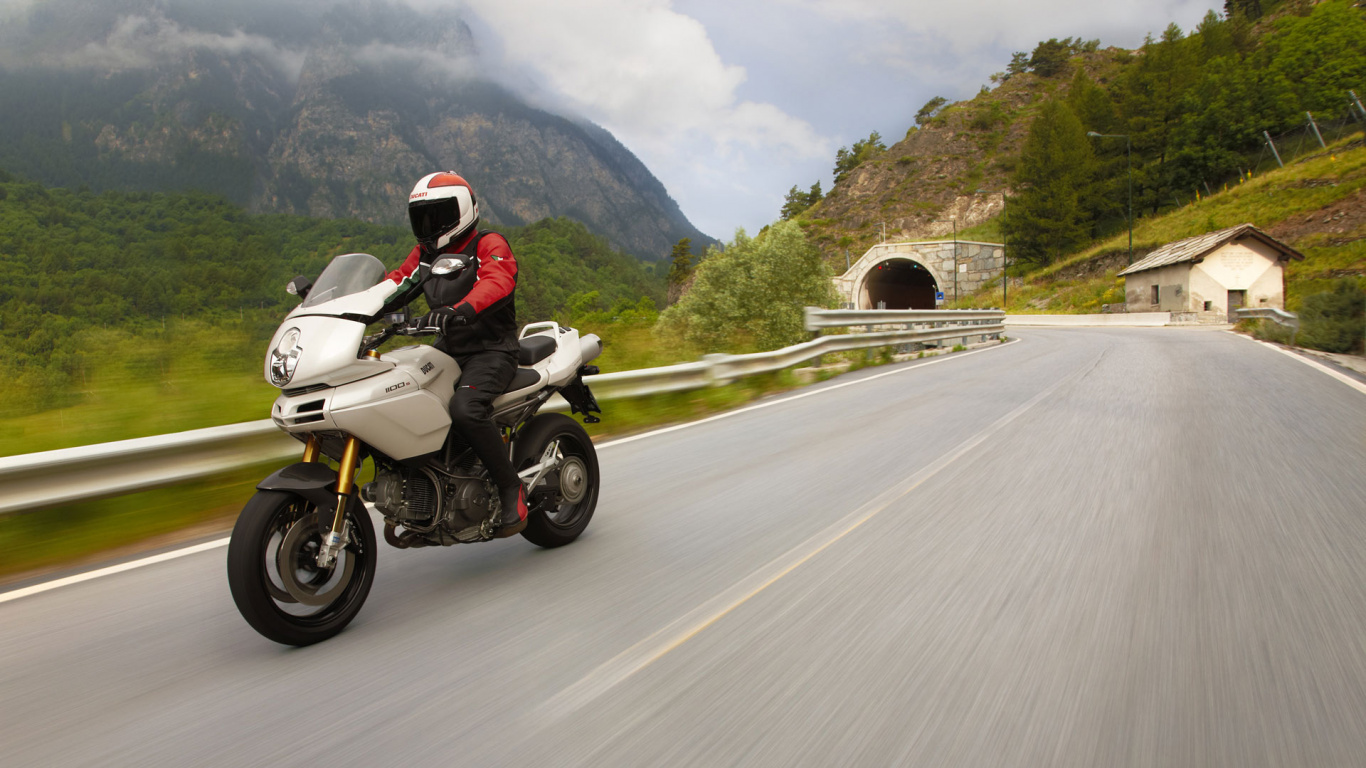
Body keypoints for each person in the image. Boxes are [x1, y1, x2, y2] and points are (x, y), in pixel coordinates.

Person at [386, 171, 528, 537]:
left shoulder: (488, 243)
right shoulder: (424, 254)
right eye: (423, 217)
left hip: (492, 351)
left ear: (461, 211)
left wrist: (459, 309)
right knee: (406, 399)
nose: (429, 225)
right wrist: (349, 306)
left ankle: (511, 487)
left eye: (437, 215)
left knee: (465, 409)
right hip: (447, 350)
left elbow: (498, 281)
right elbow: (396, 283)